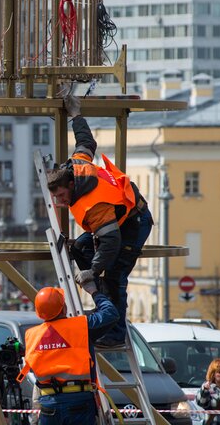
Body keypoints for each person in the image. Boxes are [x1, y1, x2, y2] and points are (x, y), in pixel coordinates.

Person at [46, 91, 153, 347]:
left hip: (132, 224)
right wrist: (76, 116)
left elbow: (111, 242)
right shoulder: (77, 165)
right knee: (82, 248)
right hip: (118, 219)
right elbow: (86, 142)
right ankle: (103, 295)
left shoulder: (94, 205)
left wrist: (93, 272)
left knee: (115, 276)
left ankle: (115, 332)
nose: (59, 202)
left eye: (61, 195)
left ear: (71, 185)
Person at [17, 277, 117, 424]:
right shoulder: (80, 326)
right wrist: (94, 291)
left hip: (49, 404)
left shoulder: (31, 335)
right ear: (63, 308)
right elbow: (111, 313)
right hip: (79, 402)